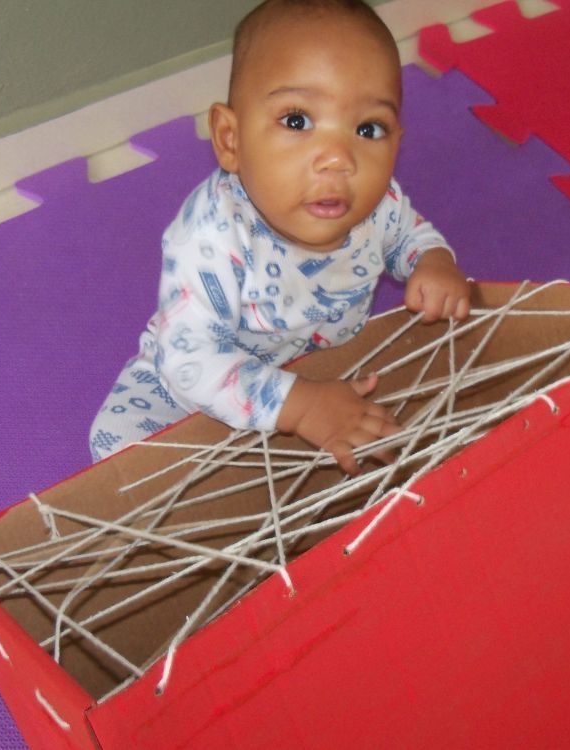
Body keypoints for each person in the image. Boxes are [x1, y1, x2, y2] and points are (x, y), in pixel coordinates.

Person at [90, 0, 470, 474]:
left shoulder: (378, 205)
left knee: (408, 409)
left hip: (325, 371)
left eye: (368, 129)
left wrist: (433, 262)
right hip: (193, 387)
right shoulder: (211, 233)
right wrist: (300, 407)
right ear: (230, 139)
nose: (338, 158)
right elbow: (190, 356)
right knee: (117, 447)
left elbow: (408, 236)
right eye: (297, 121)